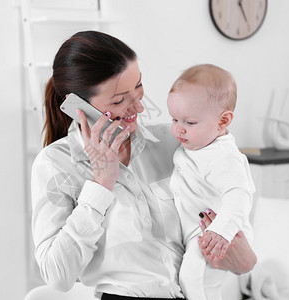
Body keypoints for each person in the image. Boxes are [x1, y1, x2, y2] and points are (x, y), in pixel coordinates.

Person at [31, 31, 256, 300]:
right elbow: (57, 277)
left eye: (138, 87)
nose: (138, 107)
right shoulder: (56, 165)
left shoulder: (177, 143)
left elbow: (230, 233)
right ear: (76, 105)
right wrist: (101, 184)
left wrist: (244, 261)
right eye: (118, 101)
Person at [167, 64, 255, 300]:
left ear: (223, 121)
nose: (178, 130)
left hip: (214, 233)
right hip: (194, 233)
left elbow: (239, 195)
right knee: (189, 280)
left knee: (195, 281)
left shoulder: (223, 156)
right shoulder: (198, 144)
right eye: (174, 119)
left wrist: (221, 232)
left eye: (189, 123)